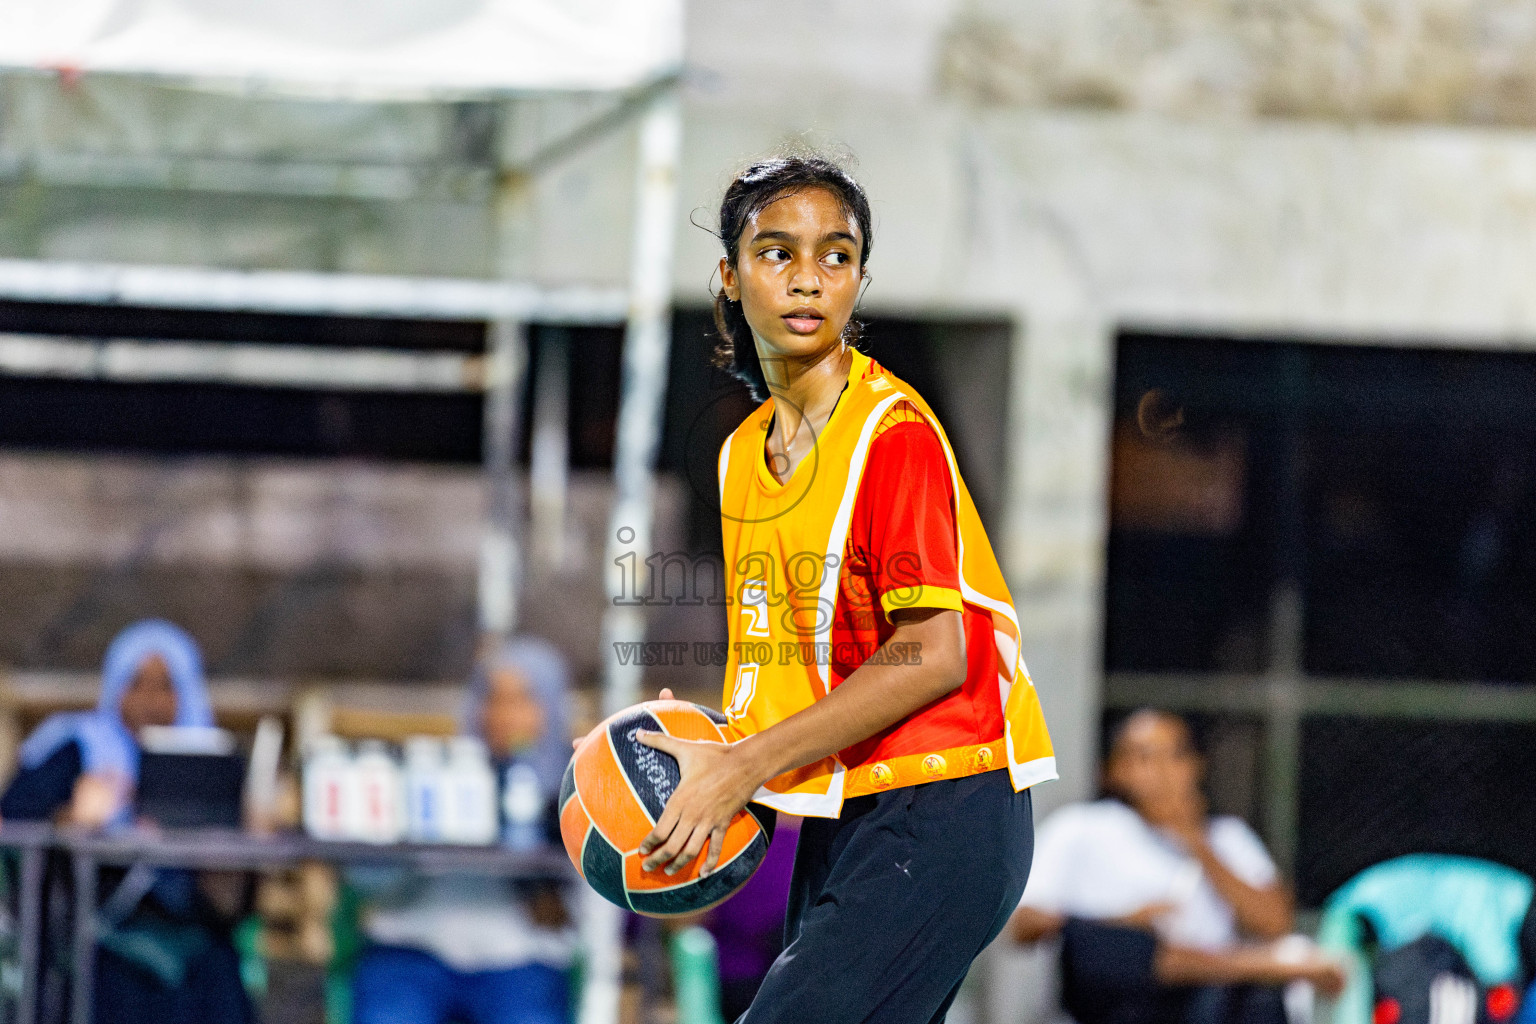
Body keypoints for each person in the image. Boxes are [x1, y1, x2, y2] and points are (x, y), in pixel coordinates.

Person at [621, 155, 1057, 1024]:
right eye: (778, 253)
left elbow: (933, 654)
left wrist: (743, 765)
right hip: (849, 817)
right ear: (730, 276)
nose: (808, 278)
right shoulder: (742, 453)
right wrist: (713, 742)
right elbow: (802, 662)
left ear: (859, 280)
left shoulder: (892, 435)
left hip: (945, 807)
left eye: (837, 254)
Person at [1010, 709, 1345, 1024]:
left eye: (1176, 755)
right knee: (1110, 944)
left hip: (1208, 999)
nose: (1162, 770)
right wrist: (1128, 921)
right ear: (1115, 770)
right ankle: (1259, 966)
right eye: (1144, 756)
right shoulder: (1080, 828)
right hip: (1117, 996)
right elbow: (1024, 924)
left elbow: (1275, 923)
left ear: (1196, 766)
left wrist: (1196, 842)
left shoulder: (1226, 837)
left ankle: (1247, 968)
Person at [1, 619, 253, 1024]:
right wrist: (72, 820)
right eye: (136, 683)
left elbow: (228, 904)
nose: (150, 701)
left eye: (166, 686)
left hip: (193, 977)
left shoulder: (212, 761)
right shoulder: (76, 748)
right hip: (100, 960)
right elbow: (15, 826)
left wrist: (235, 840)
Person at [350, 638, 577, 1024]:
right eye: (493, 698)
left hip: (519, 962)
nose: (504, 715)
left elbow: (585, 907)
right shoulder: (434, 775)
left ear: (550, 708)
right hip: (413, 950)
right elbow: (366, 879)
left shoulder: (575, 792)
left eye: (522, 699)